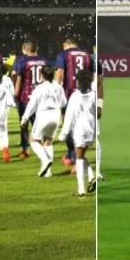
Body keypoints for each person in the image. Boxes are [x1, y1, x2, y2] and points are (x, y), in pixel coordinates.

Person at [21, 65, 67, 177]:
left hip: (43, 115)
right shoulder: (59, 87)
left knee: (33, 140)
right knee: (48, 141)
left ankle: (45, 160)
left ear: (42, 75)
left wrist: (25, 118)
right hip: (55, 115)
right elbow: (63, 103)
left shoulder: (39, 88)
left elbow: (31, 105)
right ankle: (48, 172)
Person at [59, 68, 98, 197]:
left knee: (79, 159)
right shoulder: (93, 95)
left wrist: (63, 133)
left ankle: (81, 191)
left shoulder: (75, 96)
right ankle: (92, 178)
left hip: (80, 130)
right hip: (91, 130)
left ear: (78, 82)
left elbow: (69, 116)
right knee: (81, 154)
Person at [55, 37, 93, 168]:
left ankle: (74, 156)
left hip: (69, 94)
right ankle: (71, 155)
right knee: (82, 123)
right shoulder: (87, 55)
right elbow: (92, 75)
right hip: (86, 94)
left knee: (68, 124)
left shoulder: (63, 54)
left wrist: (57, 90)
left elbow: (60, 73)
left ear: (65, 45)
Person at [12, 41, 47, 159]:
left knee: (24, 123)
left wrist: (16, 94)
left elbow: (19, 80)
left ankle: (25, 149)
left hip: (26, 97)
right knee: (39, 124)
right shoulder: (44, 61)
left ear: (27, 49)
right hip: (41, 98)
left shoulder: (23, 61)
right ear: (37, 49)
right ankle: (43, 148)